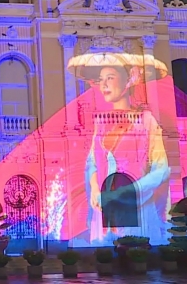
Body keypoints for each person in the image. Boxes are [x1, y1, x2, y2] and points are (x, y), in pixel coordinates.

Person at [71, 55, 171, 244]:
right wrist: (94, 188)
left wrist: (127, 192)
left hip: (137, 208)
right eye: (101, 79)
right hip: (105, 209)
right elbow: (92, 162)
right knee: (106, 247)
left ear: (129, 79)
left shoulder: (146, 121)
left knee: (135, 246)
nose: (104, 85)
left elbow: (161, 169)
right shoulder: (101, 123)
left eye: (110, 78)